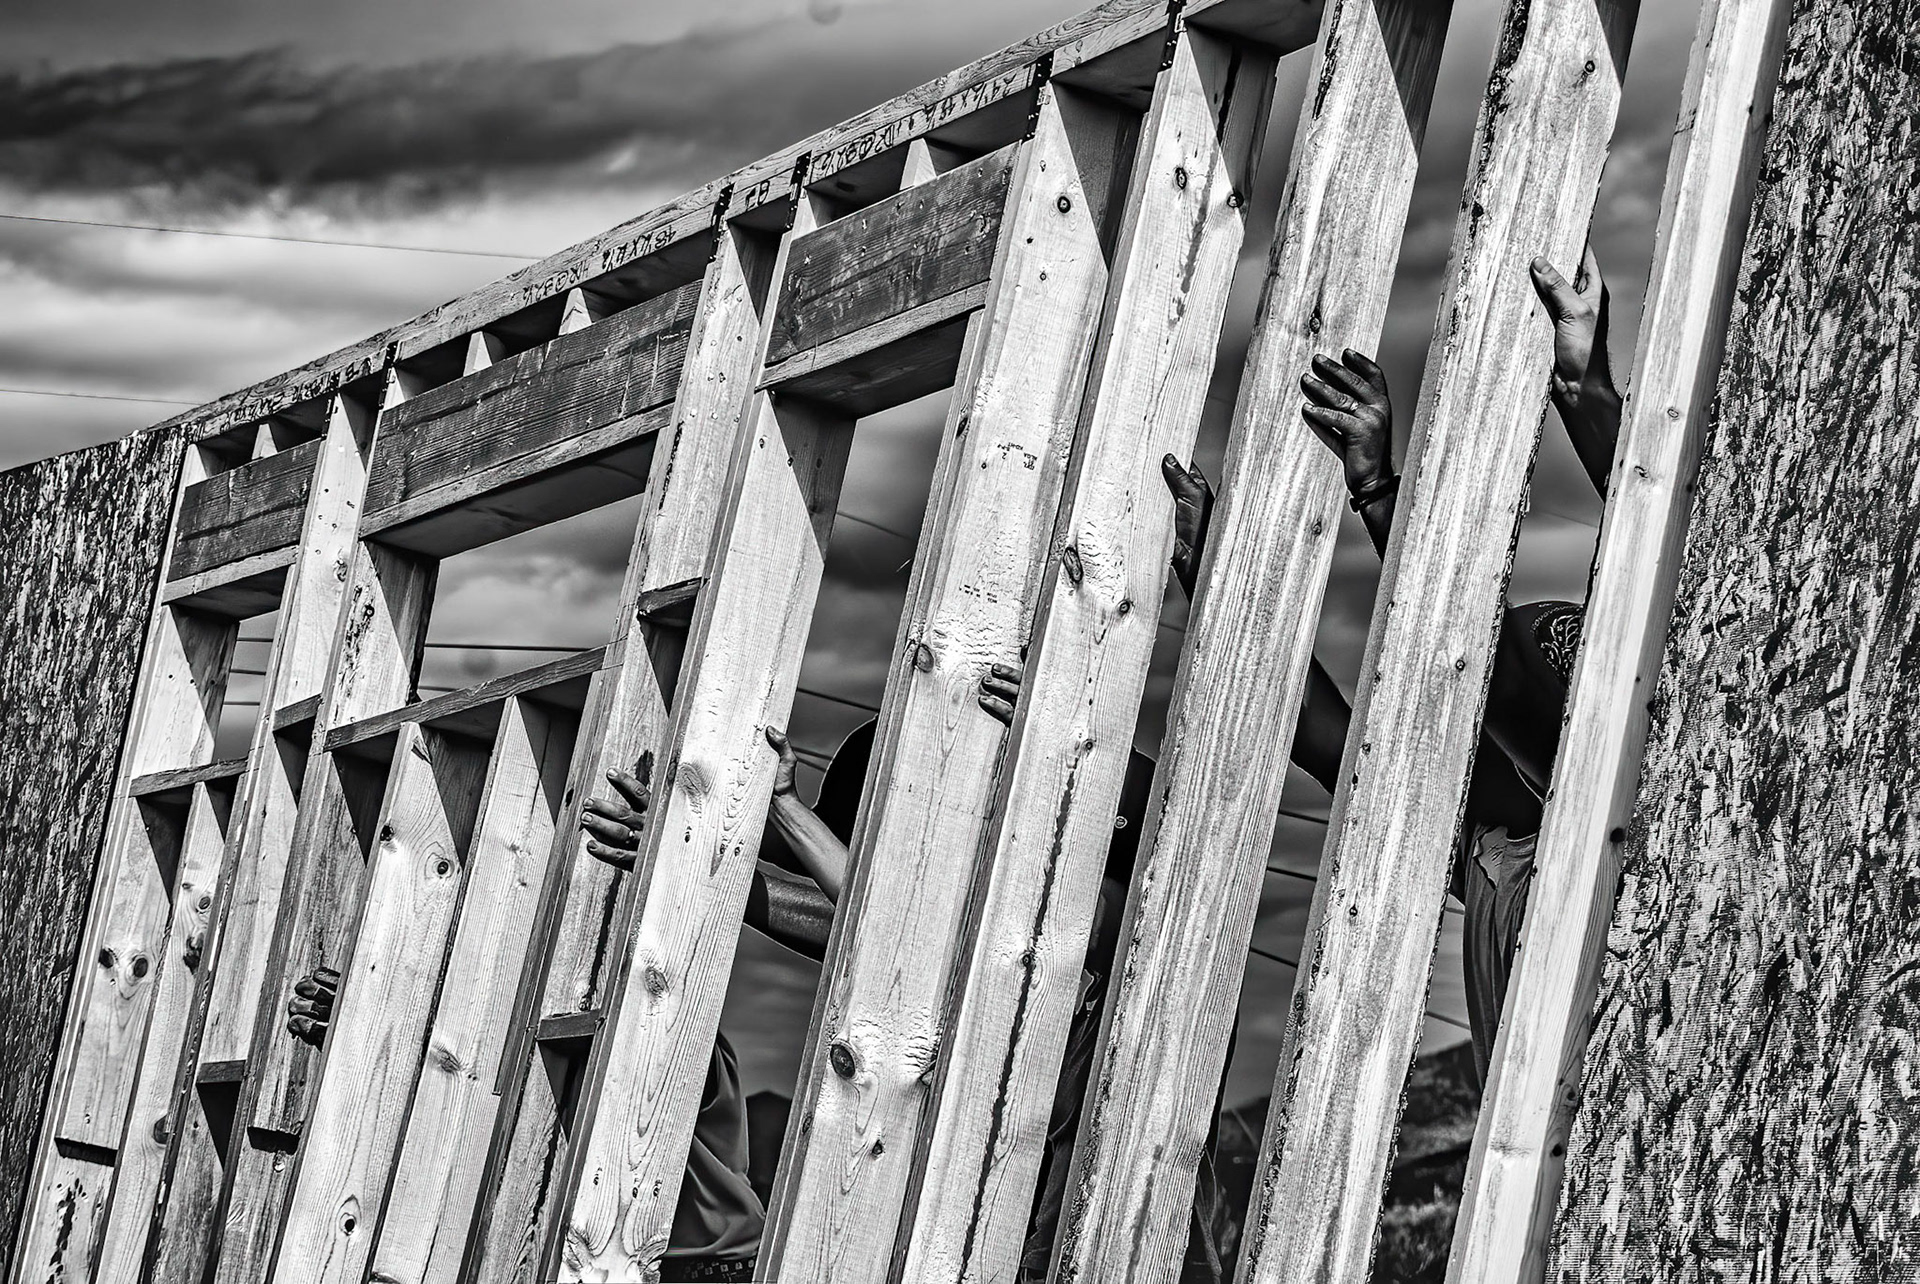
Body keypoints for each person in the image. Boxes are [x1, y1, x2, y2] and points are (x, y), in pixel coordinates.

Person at [1291, 247, 1621, 1076]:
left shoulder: (1554, 849)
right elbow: (1334, 747)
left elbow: (1490, 666)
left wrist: (1378, 493)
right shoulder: (1489, 854)